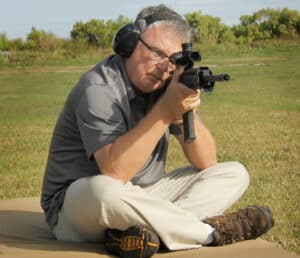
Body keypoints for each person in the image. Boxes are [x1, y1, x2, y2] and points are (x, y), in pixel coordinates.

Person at [41, 4, 274, 258]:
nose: (163, 67)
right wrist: (165, 111)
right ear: (129, 43)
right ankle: (209, 234)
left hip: (143, 195)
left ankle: (139, 234)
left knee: (233, 173)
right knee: (104, 190)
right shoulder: (98, 87)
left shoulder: (166, 85)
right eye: (156, 52)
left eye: (172, 61)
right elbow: (114, 171)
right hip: (78, 207)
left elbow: (206, 161)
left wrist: (186, 109)